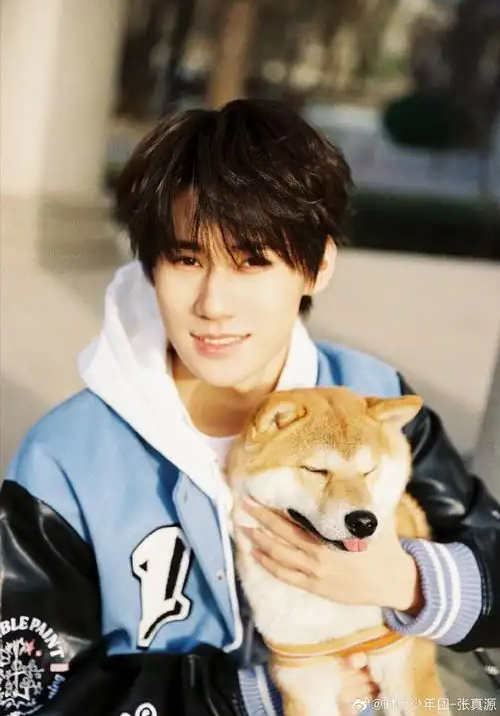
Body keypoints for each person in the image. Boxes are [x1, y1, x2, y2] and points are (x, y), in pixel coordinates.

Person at [1, 98, 499, 716]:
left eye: (253, 261)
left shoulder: (369, 399)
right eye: (187, 259)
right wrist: (244, 697)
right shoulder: (67, 459)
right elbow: (27, 693)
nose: (214, 303)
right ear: (150, 265)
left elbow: (488, 553)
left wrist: (408, 581)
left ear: (316, 266)